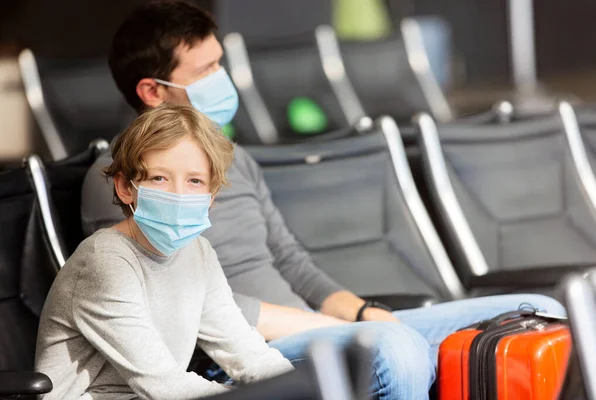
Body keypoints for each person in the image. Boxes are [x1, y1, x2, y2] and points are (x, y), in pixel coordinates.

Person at [80, 1, 566, 398]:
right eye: (205, 71)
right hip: (237, 358)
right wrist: (332, 327)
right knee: (395, 350)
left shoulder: (235, 159)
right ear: (153, 91)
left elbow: (291, 261)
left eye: (219, 65)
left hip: (315, 329)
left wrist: (359, 312)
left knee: (538, 310)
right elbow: (180, 301)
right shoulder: (120, 180)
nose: (222, 80)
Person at [36, 104, 293, 399]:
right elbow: (165, 386)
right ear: (125, 187)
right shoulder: (105, 261)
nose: (179, 194)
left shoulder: (199, 252)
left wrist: (304, 389)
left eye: (195, 181)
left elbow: (246, 352)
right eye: (159, 178)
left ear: (211, 195)